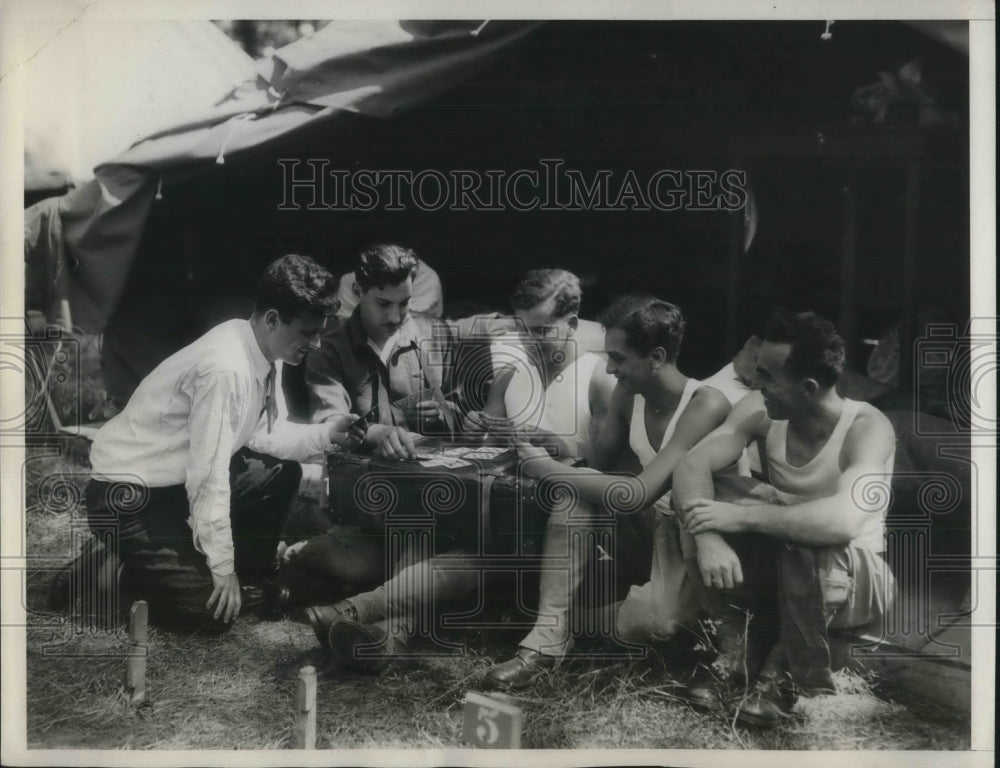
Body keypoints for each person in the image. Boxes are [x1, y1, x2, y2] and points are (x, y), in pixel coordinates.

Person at [302, 269, 619, 669]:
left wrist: (558, 444)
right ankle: (385, 638)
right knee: (428, 521)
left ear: (572, 324)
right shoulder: (509, 374)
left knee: (471, 557)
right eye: (523, 329)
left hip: (561, 528)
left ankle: (355, 611)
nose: (530, 341)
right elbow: (483, 452)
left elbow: (608, 468)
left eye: (543, 331)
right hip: (504, 516)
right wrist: (474, 427)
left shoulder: (599, 379)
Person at [73, 255, 362, 633]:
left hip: (174, 485)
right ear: (273, 319)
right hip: (129, 497)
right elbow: (207, 477)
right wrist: (222, 568)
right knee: (210, 613)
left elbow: (263, 435)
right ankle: (112, 567)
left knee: (279, 474)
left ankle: (247, 573)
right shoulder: (226, 368)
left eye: (320, 332)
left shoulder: (261, 345)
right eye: (308, 333)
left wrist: (327, 434)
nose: (317, 342)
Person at [487, 294, 732, 688]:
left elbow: (638, 493)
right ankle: (548, 635)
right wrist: (556, 446)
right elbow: (595, 467)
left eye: (618, 358)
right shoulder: (627, 394)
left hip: (694, 538)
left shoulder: (707, 403)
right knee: (576, 495)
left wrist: (542, 467)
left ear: (655, 357)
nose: (609, 368)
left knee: (657, 623)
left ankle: (562, 619)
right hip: (648, 529)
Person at [671, 309, 897, 727]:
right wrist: (709, 537)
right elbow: (690, 465)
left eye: (769, 377)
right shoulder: (760, 408)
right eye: (758, 373)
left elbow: (843, 522)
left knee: (814, 535)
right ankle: (734, 654)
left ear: (809, 388)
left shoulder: (867, 427)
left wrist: (743, 520)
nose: (757, 386)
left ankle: (780, 680)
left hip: (854, 579)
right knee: (705, 501)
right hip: (787, 566)